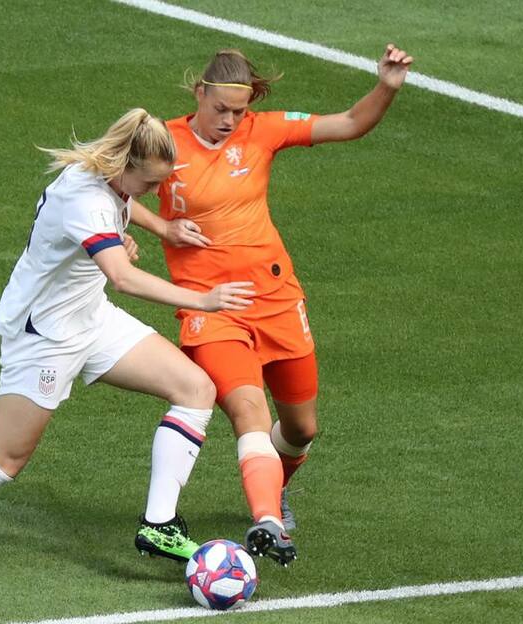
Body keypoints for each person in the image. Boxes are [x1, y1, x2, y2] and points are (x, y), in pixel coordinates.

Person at [0, 108, 255, 573]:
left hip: (91, 318)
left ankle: (159, 525)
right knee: (3, 461)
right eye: (150, 182)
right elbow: (123, 278)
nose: (155, 191)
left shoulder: (109, 179)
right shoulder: (85, 200)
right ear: (123, 166)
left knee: (195, 388)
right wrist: (203, 300)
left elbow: (124, 207)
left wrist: (159, 228)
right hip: (45, 338)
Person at [129, 45, 413, 566]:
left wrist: (386, 86)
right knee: (250, 411)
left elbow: (350, 123)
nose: (229, 120)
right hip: (211, 310)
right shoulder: (164, 141)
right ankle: (267, 521)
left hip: (278, 300)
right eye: (220, 109)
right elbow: (111, 187)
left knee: (302, 429)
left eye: (238, 111)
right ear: (200, 94)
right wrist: (162, 227)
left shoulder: (263, 131)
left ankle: (273, 487)